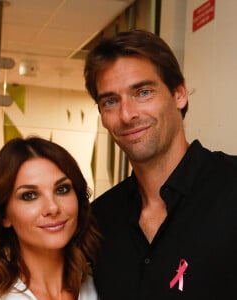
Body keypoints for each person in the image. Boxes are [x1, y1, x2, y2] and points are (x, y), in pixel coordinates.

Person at [84, 29, 237, 299]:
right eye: (110, 101)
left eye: (143, 92)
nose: (127, 114)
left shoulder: (231, 187)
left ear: (179, 94)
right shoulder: (99, 221)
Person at [0, 136, 100, 300]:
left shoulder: (105, 287)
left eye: (62, 189)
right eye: (29, 195)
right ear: (4, 215)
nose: (52, 207)